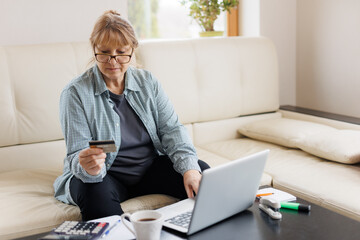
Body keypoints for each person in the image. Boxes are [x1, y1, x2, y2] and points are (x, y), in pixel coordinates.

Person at [53, 10, 210, 221]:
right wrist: (87, 166)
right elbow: (77, 153)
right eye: (105, 52)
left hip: (148, 169)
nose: (113, 61)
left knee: (202, 173)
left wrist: (190, 170)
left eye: (121, 52)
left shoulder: (148, 83)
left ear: (133, 49)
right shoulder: (75, 93)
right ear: (94, 49)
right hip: (106, 175)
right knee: (92, 191)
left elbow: (172, 130)